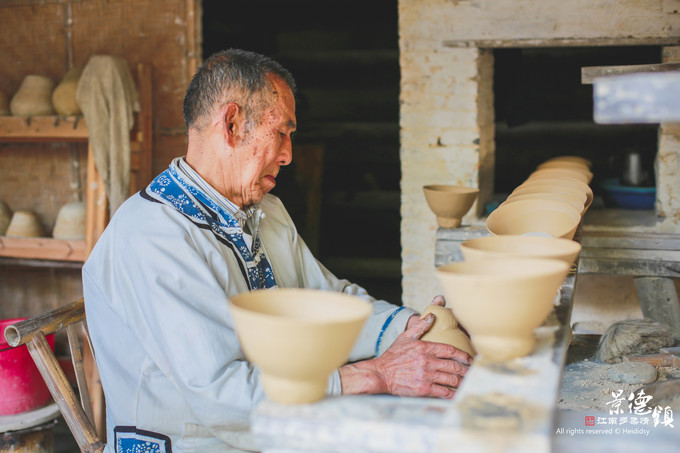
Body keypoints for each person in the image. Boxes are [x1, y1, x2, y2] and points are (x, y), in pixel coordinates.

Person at [82, 49, 472, 453]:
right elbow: (222, 396)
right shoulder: (152, 237)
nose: (288, 154)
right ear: (231, 124)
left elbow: (328, 302)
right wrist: (375, 375)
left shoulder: (264, 211)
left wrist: (420, 331)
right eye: (281, 132)